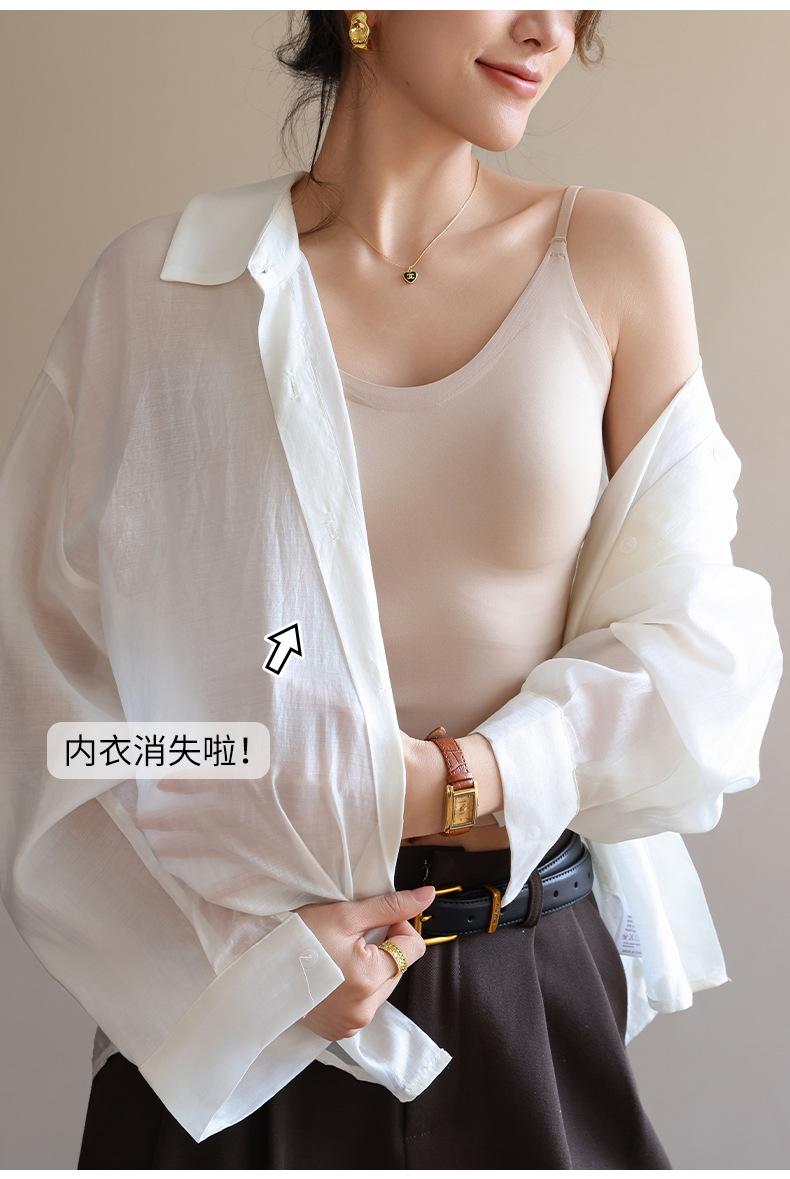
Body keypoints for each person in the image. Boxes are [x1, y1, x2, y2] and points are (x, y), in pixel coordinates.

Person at [1, 10, 782, 1170]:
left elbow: (702, 653)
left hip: (524, 978)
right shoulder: (161, 286)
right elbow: (56, 720)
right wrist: (245, 965)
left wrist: (468, 778)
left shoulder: (608, 255)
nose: (547, 30)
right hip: (239, 1007)